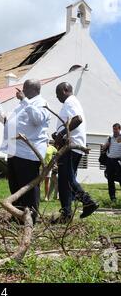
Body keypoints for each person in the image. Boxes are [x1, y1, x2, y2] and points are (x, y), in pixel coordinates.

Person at [1, 79, 51, 224]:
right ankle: (18, 215)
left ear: (31, 89)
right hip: (15, 151)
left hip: (28, 154)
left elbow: (37, 119)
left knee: (28, 187)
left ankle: (31, 216)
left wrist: (24, 100)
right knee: (15, 186)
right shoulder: (25, 104)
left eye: (24, 89)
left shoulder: (41, 103)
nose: (21, 92)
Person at [52, 82, 99, 223]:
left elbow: (77, 119)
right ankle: (66, 214)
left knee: (67, 179)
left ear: (66, 90)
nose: (57, 97)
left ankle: (88, 202)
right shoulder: (70, 102)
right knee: (64, 181)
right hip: (71, 145)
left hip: (71, 147)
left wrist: (60, 135)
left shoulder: (70, 102)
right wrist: (59, 135)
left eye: (58, 93)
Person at [102, 123, 121, 202]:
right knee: (110, 179)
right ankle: (112, 197)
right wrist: (107, 144)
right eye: (113, 129)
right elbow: (103, 148)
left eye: (116, 129)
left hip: (119, 161)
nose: (115, 131)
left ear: (119, 129)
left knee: (120, 178)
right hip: (110, 160)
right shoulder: (109, 137)